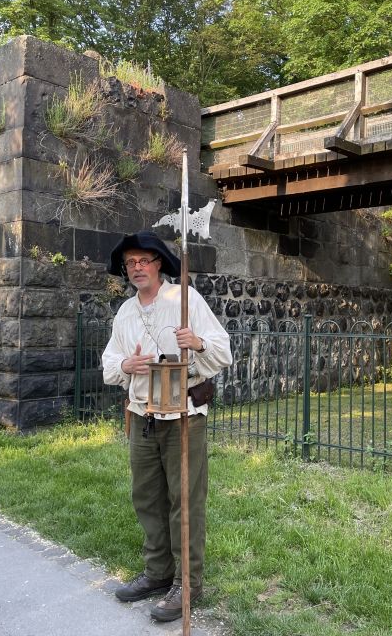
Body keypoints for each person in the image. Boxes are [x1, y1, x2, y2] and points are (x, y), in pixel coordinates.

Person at [101, 230, 232, 622]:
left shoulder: (185, 300)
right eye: (130, 263)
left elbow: (223, 350)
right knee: (147, 498)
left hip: (184, 418)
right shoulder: (125, 312)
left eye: (144, 260)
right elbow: (110, 362)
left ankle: (187, 584)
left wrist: (198, 342)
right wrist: (127, 365)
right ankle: (158, 573)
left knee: (184, 503)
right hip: (143, 417)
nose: (137, 268)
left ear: (159, 263)